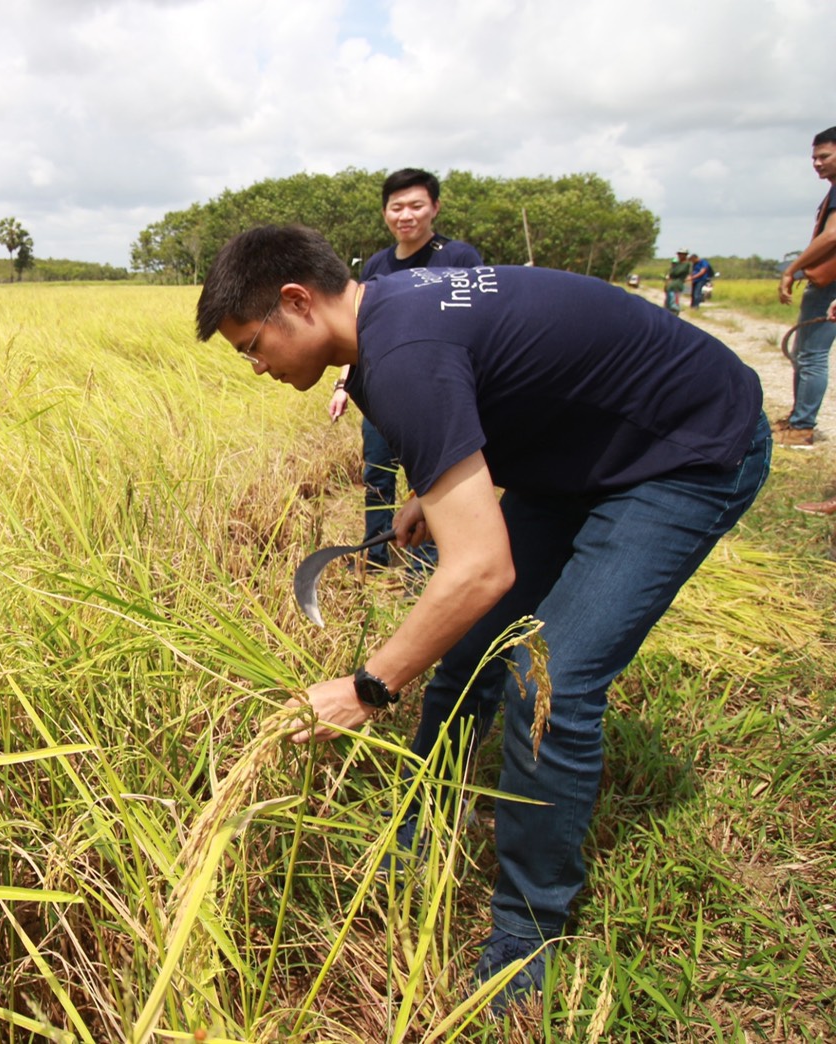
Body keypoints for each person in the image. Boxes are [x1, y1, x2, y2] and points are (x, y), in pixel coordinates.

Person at [195, 225, 768, 1012]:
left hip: (684, 451)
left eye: (252, 346)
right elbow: (488, 387)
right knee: (466, 646)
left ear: (297, 301)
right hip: (580, 455)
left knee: (547, 680)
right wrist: (435, 493)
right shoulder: (380, 323)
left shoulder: (400, 356)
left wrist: (368, 688)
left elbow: (482, 567)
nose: (258, 367)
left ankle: (527, 931)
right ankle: (421, 828)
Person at [328, 169, 482, 569]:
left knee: (429, 480)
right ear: (385, 213)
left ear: (435, 208)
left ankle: (425, 564)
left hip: (435, 391)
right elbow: (355, 331)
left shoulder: (458, 257)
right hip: (380, 389)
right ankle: (376, 554)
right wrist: (344, 385)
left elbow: (476, 321)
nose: (406, 215)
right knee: (377, 474)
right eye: (397, 207)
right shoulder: (378, 263)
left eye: (416, 205)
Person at [774, 126, 836, 450]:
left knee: (812, 355)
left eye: (824, 156)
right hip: (824, 282)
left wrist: (792, 269)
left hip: (830, 286)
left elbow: (832, 235)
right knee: (804, 353)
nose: (816, 163)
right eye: (813, 157)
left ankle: (802, 428)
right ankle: (798, 418)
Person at [664, 249, 691, 315]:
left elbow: (676, 272)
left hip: (677, 285)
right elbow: (671, 273)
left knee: (674, 304)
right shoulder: (678, 263)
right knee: (668, 303)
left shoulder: (686, 264)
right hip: (671, 285)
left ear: (685, 255)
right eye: (679, 254)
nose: (680, 255)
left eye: (682, 254)